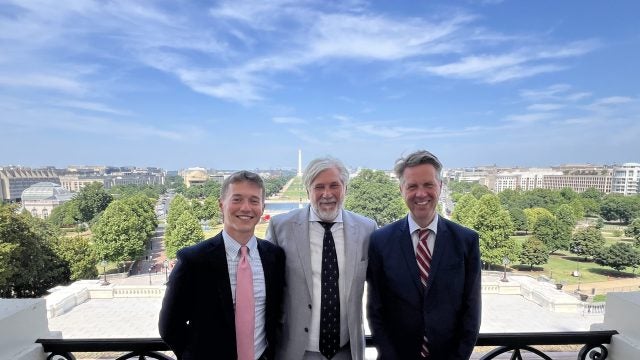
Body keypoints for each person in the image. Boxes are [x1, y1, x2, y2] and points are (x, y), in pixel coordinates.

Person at [367, 150, 481, 360]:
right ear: (401, 189)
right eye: (412, 186)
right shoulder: (380, 241)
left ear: (440, 187)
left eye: (428, 184)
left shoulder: (466, 241)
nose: (421, 193)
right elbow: (376, 310)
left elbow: (471, 311)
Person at [159, 171, 285, 360]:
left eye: (254, 200)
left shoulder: (274, 257)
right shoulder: (193, 260)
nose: (246, 207)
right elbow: (170, 326)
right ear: (221, 205)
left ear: (262, 207)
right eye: (237, 199)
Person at [265, 157, 377, 360]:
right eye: (319, 187)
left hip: (347, 350)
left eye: (334, 185)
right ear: (308, 191)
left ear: (345, 188)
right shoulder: (280, 227)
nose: (327, 194)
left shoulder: (366, 229)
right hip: (296, 350)